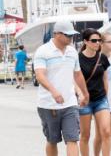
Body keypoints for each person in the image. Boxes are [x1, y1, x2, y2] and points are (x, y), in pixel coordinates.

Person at [34, 20, 89, 156]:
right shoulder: (43, 51)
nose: (71, 38)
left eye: (72, 35)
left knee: (72, 139)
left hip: (70, 103)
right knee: (52, 140)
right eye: (68, 35)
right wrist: (54, 92)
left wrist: (84, 93)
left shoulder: (72, 52)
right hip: (48, 105)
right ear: (57, 34)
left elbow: (77, 74)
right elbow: (40, 76)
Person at [78, 29, 111, 156]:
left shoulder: (102, 58)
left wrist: (106, 96)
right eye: (94, 40)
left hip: (101, 100)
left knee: (106, 132)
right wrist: (80, 94)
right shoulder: (78, 59)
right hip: (85, 101)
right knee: (85, 135)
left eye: (99, 40)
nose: (97, 43)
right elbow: (74, 79)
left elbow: (105, 78)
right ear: (85, 41)